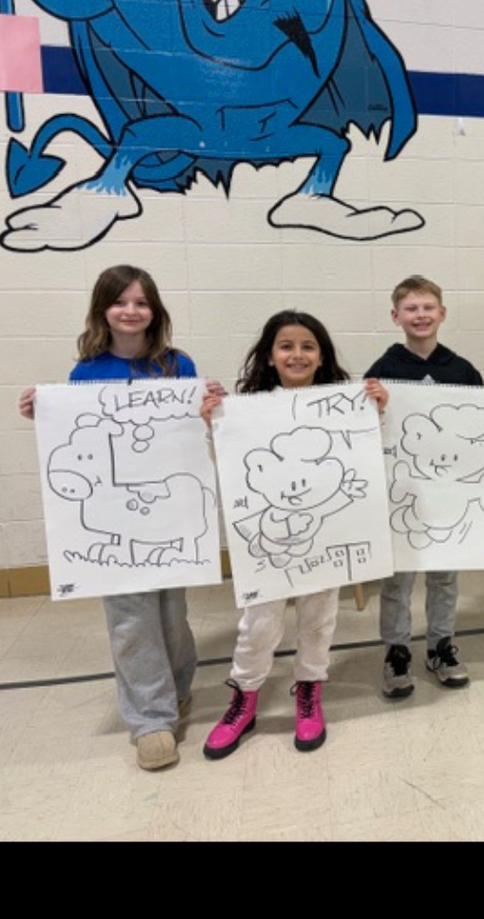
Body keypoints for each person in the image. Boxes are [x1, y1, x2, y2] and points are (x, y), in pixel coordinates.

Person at [19, 264, 206, 773]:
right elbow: (78, 441)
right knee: (130, 617)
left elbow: (191, 433)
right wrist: (47, 414)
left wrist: (214, 409)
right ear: (103, 309)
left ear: (155, 311)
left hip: (167, 513)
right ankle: (150, 719)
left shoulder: (177, 365)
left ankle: (177, 689)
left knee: (171, 613)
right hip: (112, 517)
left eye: (141, 302)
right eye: (120, 301)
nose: (131, 311)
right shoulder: (86, 373)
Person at [200, 310, 389, 759]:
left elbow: (366, 458)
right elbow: (228, 465)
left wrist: (376, 413)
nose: (297, 354)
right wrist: (214, 425)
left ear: (321, 356)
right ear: (270, 355)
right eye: (287, 346)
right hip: (266, 546)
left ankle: (309, 689)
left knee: (318, 619)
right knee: (259, 624)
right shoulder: (247, 408)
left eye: (308, 346)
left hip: (323, 539)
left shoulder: (344, 404)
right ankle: (243, 699)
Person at [365, 276, 484, 699]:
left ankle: (440, 645)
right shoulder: (382, 372)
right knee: (397, 580)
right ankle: (396, 650)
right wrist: (371, 405)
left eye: (428, 307)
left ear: (442, 313)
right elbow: (365, 431)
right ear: (396, 316)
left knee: (444, 577)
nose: (420, 315)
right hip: (402, 496)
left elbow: (480, 430)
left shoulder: (463, 369)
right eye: (411, 309)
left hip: (448, 496)